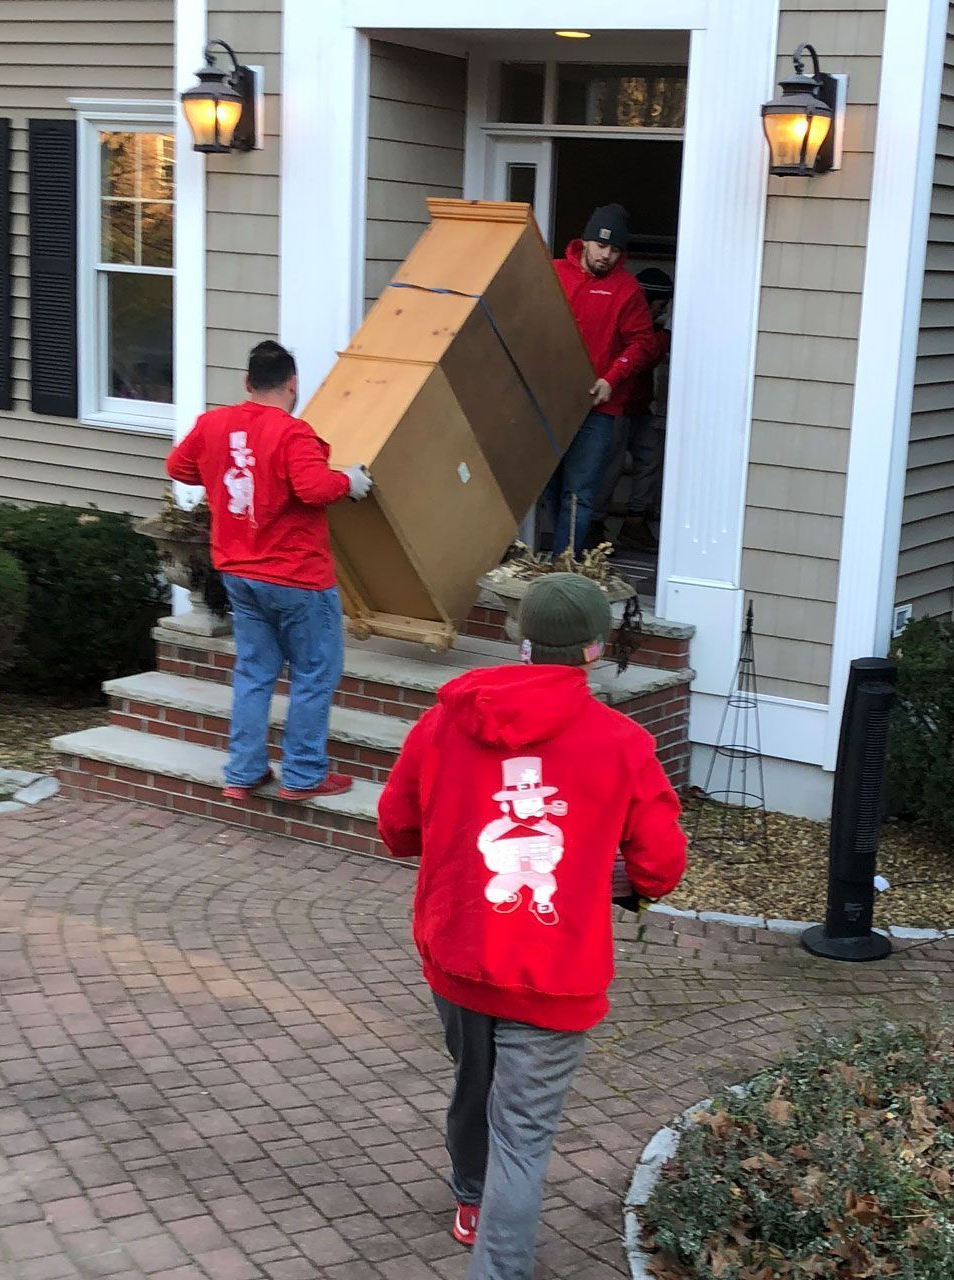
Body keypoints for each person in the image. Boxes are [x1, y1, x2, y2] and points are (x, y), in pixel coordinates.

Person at [375, 573, 688, 1277]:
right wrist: (613, 886)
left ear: (521, 645)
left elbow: (397, 827)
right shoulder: (622, 743)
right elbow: (660, 863)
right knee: (523, 1135)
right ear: (594, 649)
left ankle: (471, 1198)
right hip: (555, 972)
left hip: (459, 953)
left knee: (472, 1083)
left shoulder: (444, 721)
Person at [165, 340, 372, 802]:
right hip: (298, 577)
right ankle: (302, 775)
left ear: (247, 382)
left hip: (239, 573)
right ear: (293, 384)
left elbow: (178, 465)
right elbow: (315, 488)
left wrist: (225, 471)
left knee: (255, 674)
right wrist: (350, 482)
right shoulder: (294, 434)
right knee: (314, 674)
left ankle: (243, 772)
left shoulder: (214, 424)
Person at [543, 203, 661, 557]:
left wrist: (612, 378)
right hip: (549, 399)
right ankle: (558, 554)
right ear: (585, 242)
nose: (606, 255)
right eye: (600, 246)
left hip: (599, 406)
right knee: (547, 482)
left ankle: (563, 565)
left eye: (614, 250)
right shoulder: (553, 273)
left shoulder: (627, 290)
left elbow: (643, 343)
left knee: (581, 488)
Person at [592, 266, 672, 553]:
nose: (661, 313)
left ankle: (634, 523)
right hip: (618, 408)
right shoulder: (638, 327)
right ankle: (594, 528)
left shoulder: (652, 329)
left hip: (639, 409)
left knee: (651, 454)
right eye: (660, 306)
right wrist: (665, 338)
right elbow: (644, 356)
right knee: (609, 470)